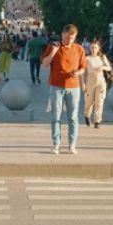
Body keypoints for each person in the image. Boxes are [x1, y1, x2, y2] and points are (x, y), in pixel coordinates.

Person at [41, 24, 87, 155]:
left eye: (72, 38)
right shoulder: (54, 46)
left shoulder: (79, 49)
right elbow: (44, 64)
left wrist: (77, 73)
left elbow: (83, 68)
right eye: (67, 38)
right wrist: (54, 52)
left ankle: (72, 145)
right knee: (56, 116)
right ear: (62, 35)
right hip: (56, 86)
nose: (69, 41)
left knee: (73, 117)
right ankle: (56, 144)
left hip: (74, 87)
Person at [83, 40, 113, 128]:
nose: (93, 49)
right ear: (89, 48)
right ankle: (87, 115)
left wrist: (103, 67)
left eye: (95, 47)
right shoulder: (86, 58)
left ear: (98, 48)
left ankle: (97, 121)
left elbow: (109, 68)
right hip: (90, 81)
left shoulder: (102, 57)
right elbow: (84, 72)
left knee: (99, 101)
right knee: (89, 102)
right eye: (92, 47)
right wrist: (83, 84)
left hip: (101, 81)